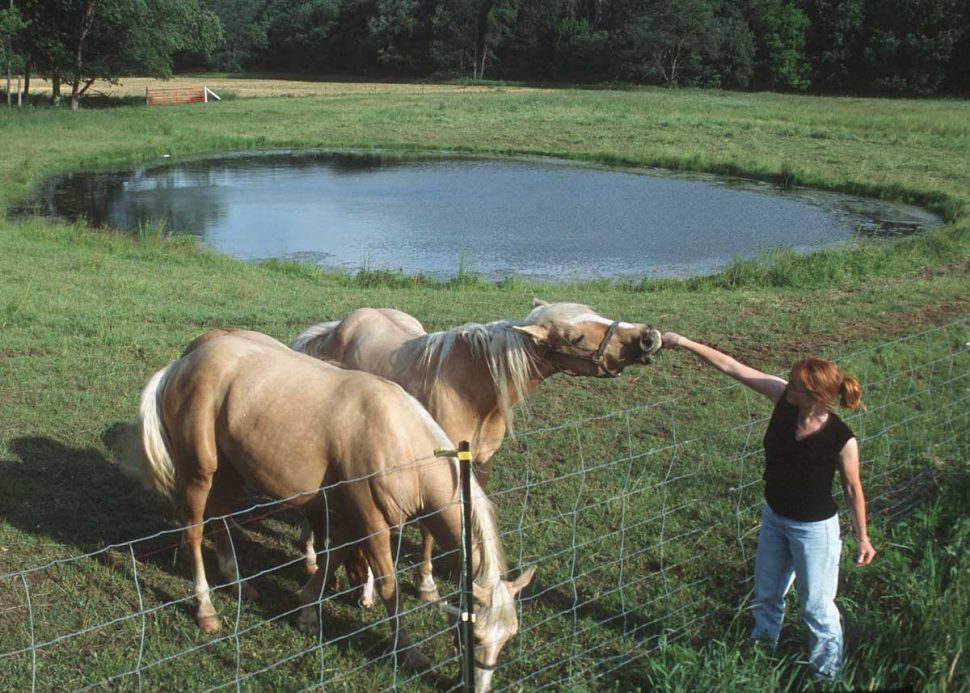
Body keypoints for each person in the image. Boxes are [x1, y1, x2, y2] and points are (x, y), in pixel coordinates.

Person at [661, 332, 877, 681]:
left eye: (795, 385)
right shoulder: (783, 400)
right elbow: (732, 367)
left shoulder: (842, 439)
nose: (787, 386)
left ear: (816, 395)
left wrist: (863, 537)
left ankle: (825, 676)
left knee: (816, 607)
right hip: (775, 518)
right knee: (766, 596)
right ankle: (761, 656)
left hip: (814, 531)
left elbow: (853, 489)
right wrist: (684, 342)